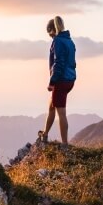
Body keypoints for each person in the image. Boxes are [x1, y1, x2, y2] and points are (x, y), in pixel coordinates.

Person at [38, 16, 76, 145]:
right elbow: (72, 61)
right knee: (51, 107)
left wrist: (52, 82)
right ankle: (45, 134)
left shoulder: (58, 41)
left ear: (52, 30)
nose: (49, 36)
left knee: (61, 113)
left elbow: (58, 63)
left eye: (49, 33)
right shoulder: (69, 41)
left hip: (61, 80)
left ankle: (65, 145)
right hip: (70, 79)